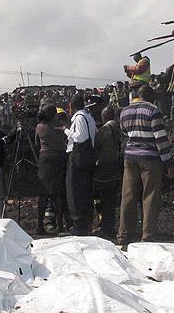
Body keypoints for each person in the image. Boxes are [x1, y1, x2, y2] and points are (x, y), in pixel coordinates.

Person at [116, 85, 174, 246]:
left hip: (130, 157)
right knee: (150, 196)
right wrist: (168, 163)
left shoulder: (125, 111)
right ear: (152, 97)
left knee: (128, 196)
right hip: (150, 158)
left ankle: (123, 235)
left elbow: (124, 133)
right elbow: (161, 139)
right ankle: (147, 236)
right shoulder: (153, 111)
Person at [64, 94, 99, 235]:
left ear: (72, 106)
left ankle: (79, 225)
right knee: (85, 190)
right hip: (88, 157)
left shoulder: (79, 118)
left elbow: (80, 137)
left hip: (78, 157)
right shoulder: (88, 117)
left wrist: (66, 131)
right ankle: (86, 222)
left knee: (74, 190)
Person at [35, 105, 67, 234]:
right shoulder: (60, 126)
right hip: (59, 158)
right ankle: (60, 226)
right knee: (58, 193)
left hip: (44, 160)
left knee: (43, 194)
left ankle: (40, 226)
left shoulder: (39, 127)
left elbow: (36, 143)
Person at [93, 106, 123, 238]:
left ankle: (105, 227)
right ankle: (110, 226)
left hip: (104, 169)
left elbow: (96, 147)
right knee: (111, 201)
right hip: (116, 167)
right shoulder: (119, 128)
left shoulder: (103, 131)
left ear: (104, 117)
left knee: (104, 200)